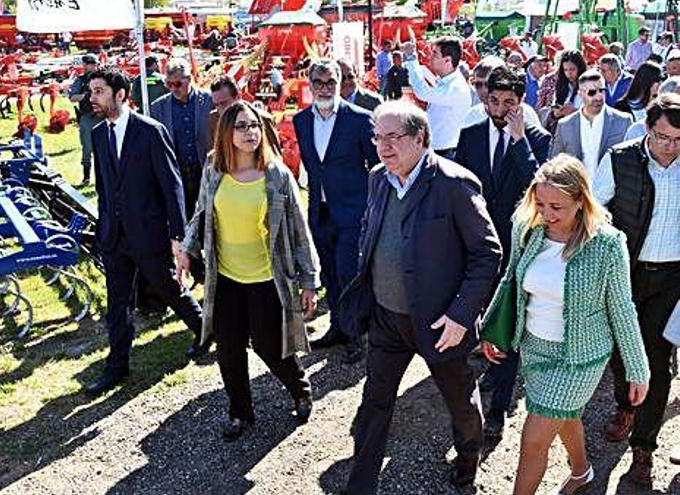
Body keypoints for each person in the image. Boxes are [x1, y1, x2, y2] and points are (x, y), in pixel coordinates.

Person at [342, 101, 502, 493]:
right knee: (374, 402)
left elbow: (487, 253)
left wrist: (461, 315)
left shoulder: (453, 184)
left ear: (421, 138)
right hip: (387, 319)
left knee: (460, 402)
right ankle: (359, 485)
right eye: (378, 137)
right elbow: (373, 232)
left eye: (394, 137)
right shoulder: (379, 178)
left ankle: (468, 462)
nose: (383, 146)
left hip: (439, 322)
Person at [480, 154, 650, 495]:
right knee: (565, 414)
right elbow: (511, 279)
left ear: (581, 200)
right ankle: (582, 471)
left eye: (557, 206)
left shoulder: (607, 244)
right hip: (534, 348)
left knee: (533, 438)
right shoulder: (526, 227)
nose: (546, 213)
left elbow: (621, 307)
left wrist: (637, 367)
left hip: (580, 358)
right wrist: (492, 328)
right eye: (540, 203)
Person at [176, 100, 320, 441]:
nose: (250, 132)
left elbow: (299, 229)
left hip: (266, 278)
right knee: (229, 349)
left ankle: (300, 389)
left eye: (254, 125)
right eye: (241, 126)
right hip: (225, 278)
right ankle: (240, 412)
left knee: (269, 346)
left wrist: (309, 280)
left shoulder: (276, 175)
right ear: (226, 132)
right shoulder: (214, 168)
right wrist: (186, 249)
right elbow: (201, 215)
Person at [83, 66, 205, 396]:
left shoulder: (151, 131)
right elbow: (106, 188)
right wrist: (104, 226)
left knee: (169, 288)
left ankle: (206, 331)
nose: (92, 97)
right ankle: (117, 366)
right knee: (117, 303)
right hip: (115, 237)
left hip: (148, 233)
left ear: (120, 94)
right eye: (92, 91)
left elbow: (172, 185)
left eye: (99, 91)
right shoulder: (98, 134)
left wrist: (177, 236)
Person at [454, 66, 552, 438]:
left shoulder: (538, 139)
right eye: (493, 100)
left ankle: (497, 411)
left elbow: (540, 189)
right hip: (478, 246)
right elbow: (461, 188)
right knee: (481, 316)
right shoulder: (471, 134)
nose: (499, 108)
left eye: (508, 102)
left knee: (508, 324)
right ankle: (492, 372)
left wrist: (518, 141)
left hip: (517, 248)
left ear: (520, 101)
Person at [592, 93, 680, 487]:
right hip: (625, 273)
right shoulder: (621, 158)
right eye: (664, 138)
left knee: (657, 360)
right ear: (648, 128)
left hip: (672, 279)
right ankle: (625, 406)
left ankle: (644, 447)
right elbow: (594, 208)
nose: (671, 147)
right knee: (622, 352)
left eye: (679, 140)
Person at [292, 60, 380, 364]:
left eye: (331, 81)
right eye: (319, 82)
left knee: (348, 272)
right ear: (310, 83)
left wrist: (371, 206)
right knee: (329, 271)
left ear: (340, 81)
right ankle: (337, 328)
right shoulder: (301, 120)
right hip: (320, 211)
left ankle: (355, 334)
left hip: (353, 212)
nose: (325, 88)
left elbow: (377, 166)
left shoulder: (359, 119)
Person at [150, 58, 214, 221]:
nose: (173, 89)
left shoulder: (209, 101)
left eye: (178, 84)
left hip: (206, 171)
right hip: (177, 174)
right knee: (182, 218)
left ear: (190, 79)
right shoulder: (158, 108)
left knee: (208, 217)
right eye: (169, 84)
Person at [549, 70, 634, 177]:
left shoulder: (623, 121)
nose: (598, 97)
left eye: (602, 91)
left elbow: (632, 162)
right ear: (580, 94)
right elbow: (554, 162)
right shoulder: (565, 125)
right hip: (577, 190)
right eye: (592, 92)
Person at [401, 36, 472, 159]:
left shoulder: (455, 88)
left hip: (446, 154)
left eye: (435, 54)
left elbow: (422, 92)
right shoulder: (447, 82)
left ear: (447, 61)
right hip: (437, 151)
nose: (430, 57)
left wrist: (412, 58)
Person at [208, 75, 281, 157]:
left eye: (224, 103)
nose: (220, 109)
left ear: (238, 96)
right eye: (216, 105)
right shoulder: (214, 118)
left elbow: (276, 156)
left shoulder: (263, 119)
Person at [462, 57, 541, 128]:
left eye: (487, 84)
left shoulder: (526, 114)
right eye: (478, 84)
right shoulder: (472, 115)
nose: (483, 90)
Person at [68, 54, 103, 186]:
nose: (91, 67)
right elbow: (72, 98)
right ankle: (86, 177)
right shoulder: (80, 80)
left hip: (104, 116)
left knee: (106, 148)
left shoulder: (104, 78)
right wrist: (86, 95)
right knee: (87, 148)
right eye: (89, 64)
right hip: (87, 117)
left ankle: (106, 177)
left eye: (93, 64)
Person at [538, 50, 587, 133]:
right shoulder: (561, 86)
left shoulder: (589, 85)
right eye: (566, 70)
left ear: (580, 68)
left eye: (572, 69)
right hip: (562, 132)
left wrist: (574, 112)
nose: (569, 73)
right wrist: (556, 113)